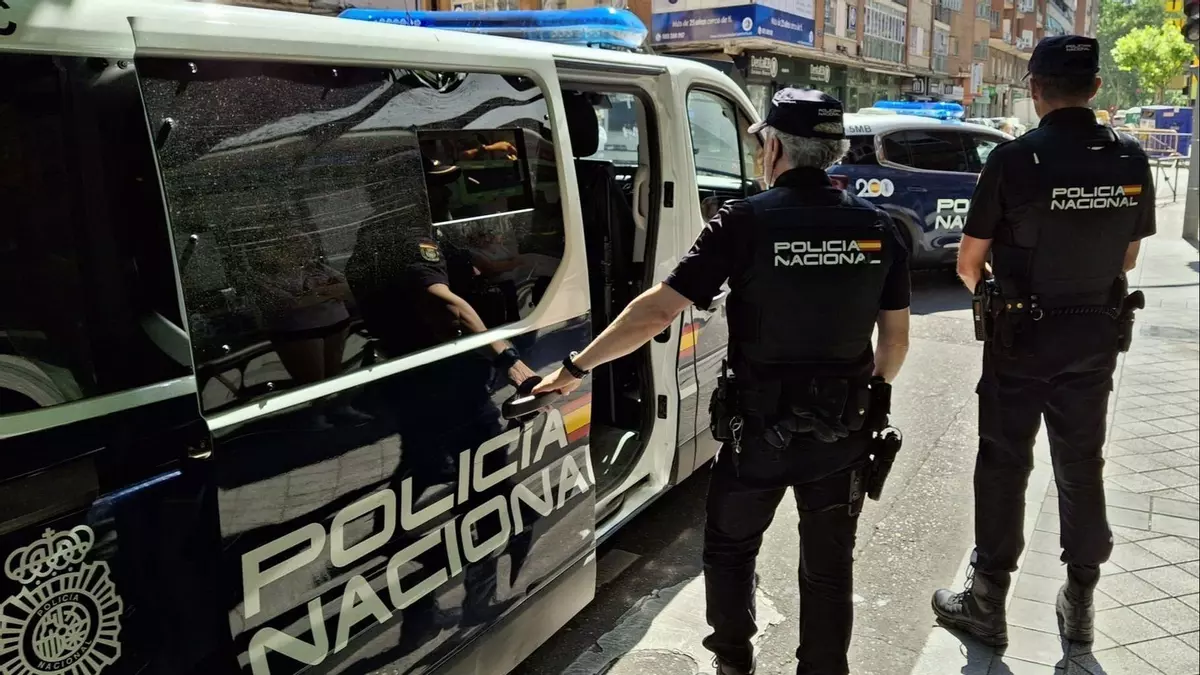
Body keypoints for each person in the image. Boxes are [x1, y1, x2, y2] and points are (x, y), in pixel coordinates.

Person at [532, 88, 912, 675]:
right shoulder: (879, 227)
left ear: (774, 148)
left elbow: (657, 312)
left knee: (731, 550)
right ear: (833, 151)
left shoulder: (745, 221)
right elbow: (895, 343)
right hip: (843, 432)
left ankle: (734, 661)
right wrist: (864, 398)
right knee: (829, 566)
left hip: (755, 432)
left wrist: (576, 367)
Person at [932, 35, 1155, 647]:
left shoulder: (1014, 159)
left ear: (1033, 89)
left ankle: (987, 602)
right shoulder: (1131, 158)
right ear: (1097, 88)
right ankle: (1080, 601)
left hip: (1020, 339)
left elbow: (968, 262)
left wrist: (1000, 290)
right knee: (1082, 465)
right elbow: (1128, 258)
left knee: (1004, 464)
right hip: (1094, 336)